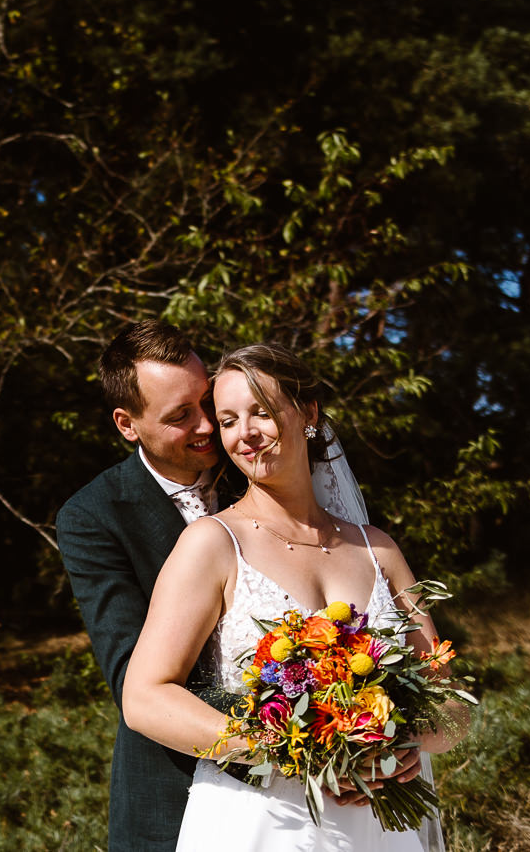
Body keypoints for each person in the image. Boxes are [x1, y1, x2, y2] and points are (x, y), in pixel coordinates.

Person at [121, 343, 467, 851]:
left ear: (308, 413)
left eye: (261, 412)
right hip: (265, 821)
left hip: (379, 824)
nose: (246, 434)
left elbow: (451, 704)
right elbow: (145, 698)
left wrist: (408, 742)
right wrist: (293, 751)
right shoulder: (212, 544)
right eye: (229, 420)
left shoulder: (378, 550)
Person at [56, 320, 225, 852]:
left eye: (207, 400)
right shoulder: (92, 516)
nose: (208, 425)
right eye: (180, 416)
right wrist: (279, 729)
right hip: (175, 788)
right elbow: (132, 676)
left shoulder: (263, 471)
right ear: (128, 425)